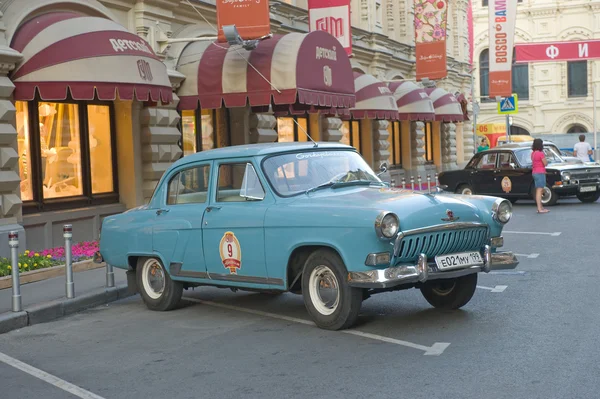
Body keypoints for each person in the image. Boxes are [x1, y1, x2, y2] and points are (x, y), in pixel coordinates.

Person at [531, 138, 549, 213]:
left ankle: (541, 207)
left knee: (539, 189)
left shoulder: (533, 153)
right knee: (539, 190)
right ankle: (539, 208)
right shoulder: (540, 153)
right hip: (540, 172)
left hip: (534, 172)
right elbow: (545, 163)